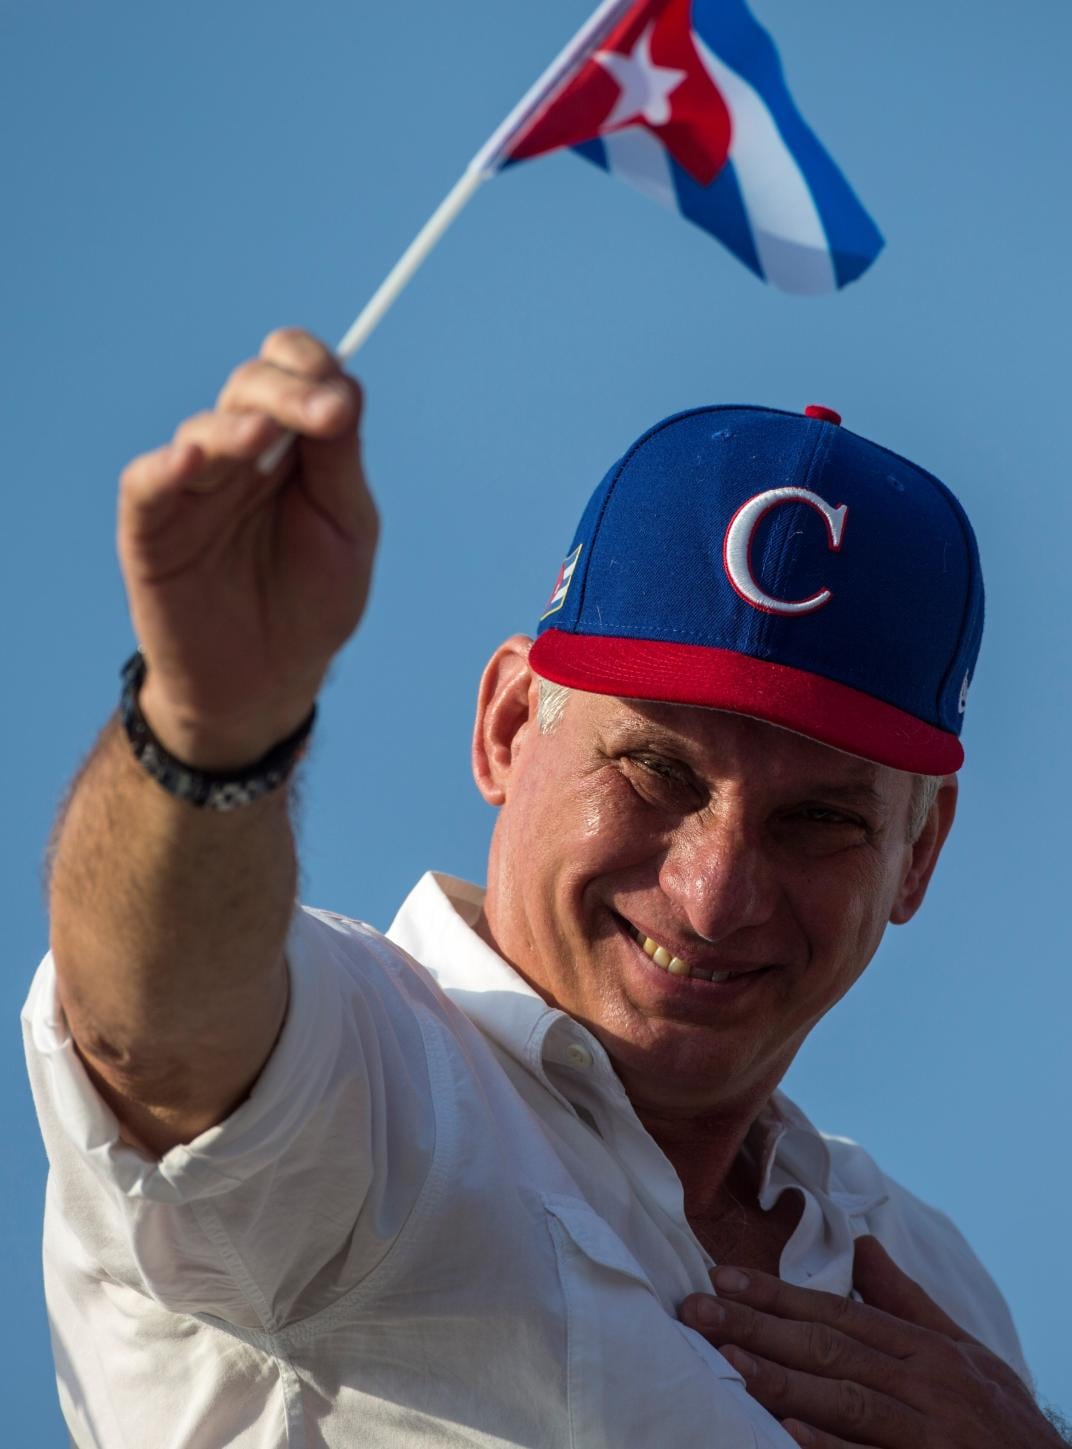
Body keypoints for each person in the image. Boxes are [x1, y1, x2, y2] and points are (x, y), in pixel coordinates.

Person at [24, 328, 1066, 1448]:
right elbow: (153, 1027)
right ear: (508, 725)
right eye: (655, 772)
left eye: (819, 821)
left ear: (917, 855)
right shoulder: (375, 1090)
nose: (716, 894)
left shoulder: (929, 1280)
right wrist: (206, 730)